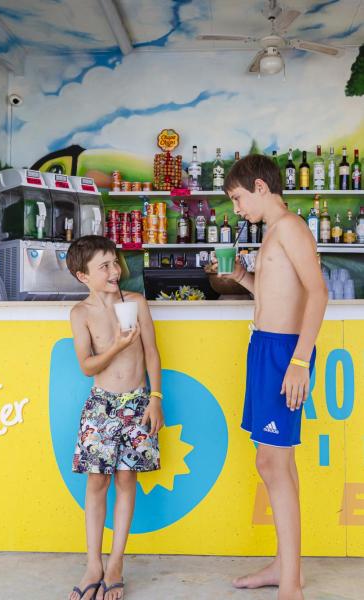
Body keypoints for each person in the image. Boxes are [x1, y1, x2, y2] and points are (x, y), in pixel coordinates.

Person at [207, 154, 328, 600]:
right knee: (275, 462)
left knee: (273, 464)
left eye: (238, 199)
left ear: (260, 187)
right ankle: (284, 566)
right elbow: (278, 293)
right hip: (266, 348)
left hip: (283, 353)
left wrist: (299, 361)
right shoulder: (274, 233)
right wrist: (243, 277)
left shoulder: (291, 228)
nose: (237, 209)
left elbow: (318, 292)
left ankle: (291, 583)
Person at [66, 235, 164, 600]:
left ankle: (116, 562)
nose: (114, 271)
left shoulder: (136, 302)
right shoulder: (80, 314)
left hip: (139, 404)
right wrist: (118, 345)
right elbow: (87, 365)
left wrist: (155, 398)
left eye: (114, 262)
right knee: (97, 484)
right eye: (103, 266)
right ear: (83, 276)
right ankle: (93, 563)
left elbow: (153, 352)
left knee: (126, 481)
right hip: (101, 406)